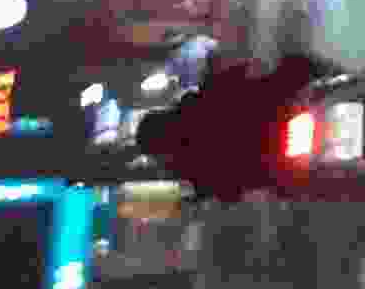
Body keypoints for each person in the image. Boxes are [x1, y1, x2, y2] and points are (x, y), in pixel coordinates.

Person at [132, 52, 322, 207]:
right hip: (278, 144)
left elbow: (227, 191)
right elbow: (227, 190)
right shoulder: (200, 102)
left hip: (280, 123)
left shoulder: (193, 165)